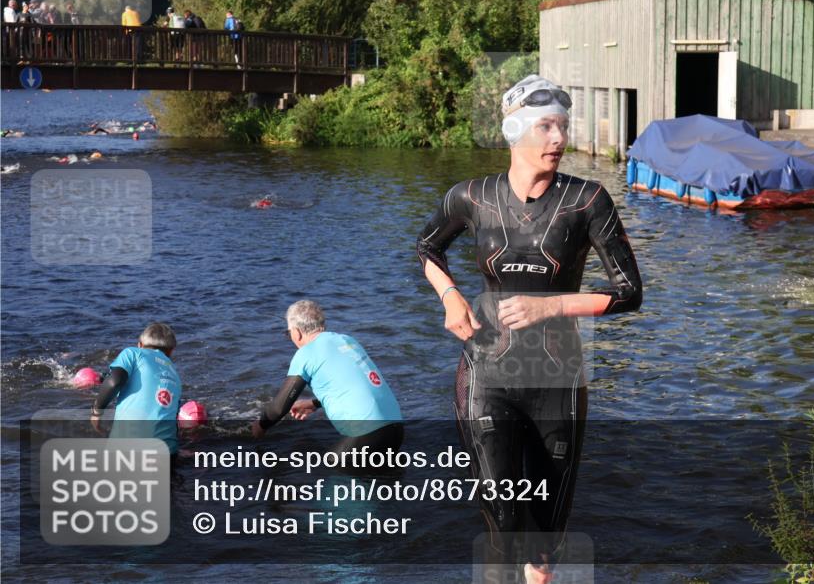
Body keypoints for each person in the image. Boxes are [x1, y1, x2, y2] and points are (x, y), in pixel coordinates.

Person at [416, 74, 642, 583]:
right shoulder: (471, 197)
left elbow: (630, 291)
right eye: (546, 127)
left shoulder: (588, 202)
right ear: (514, 131)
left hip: (557, 378)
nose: (559, 139)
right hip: (486, 372)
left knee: (544, 536)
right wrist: (450, 295)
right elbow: (427, 247)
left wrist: (551, 307)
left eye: (563, 127)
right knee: (501, 514)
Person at [252, 300, 404, 468]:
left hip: (367, 435)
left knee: (326, 474)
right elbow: (357, 384)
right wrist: (314, 403)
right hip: (396, 429)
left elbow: (279, 408)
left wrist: (260, 426)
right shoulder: (347, 340)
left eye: (288, 334)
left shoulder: (306, 353)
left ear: (296, 332)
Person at [90, 323, 183, 457]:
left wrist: (96, 412)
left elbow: (114, 382)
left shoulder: (133, 353)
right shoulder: (175, 375)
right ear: (171, 351)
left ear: (139, 344)